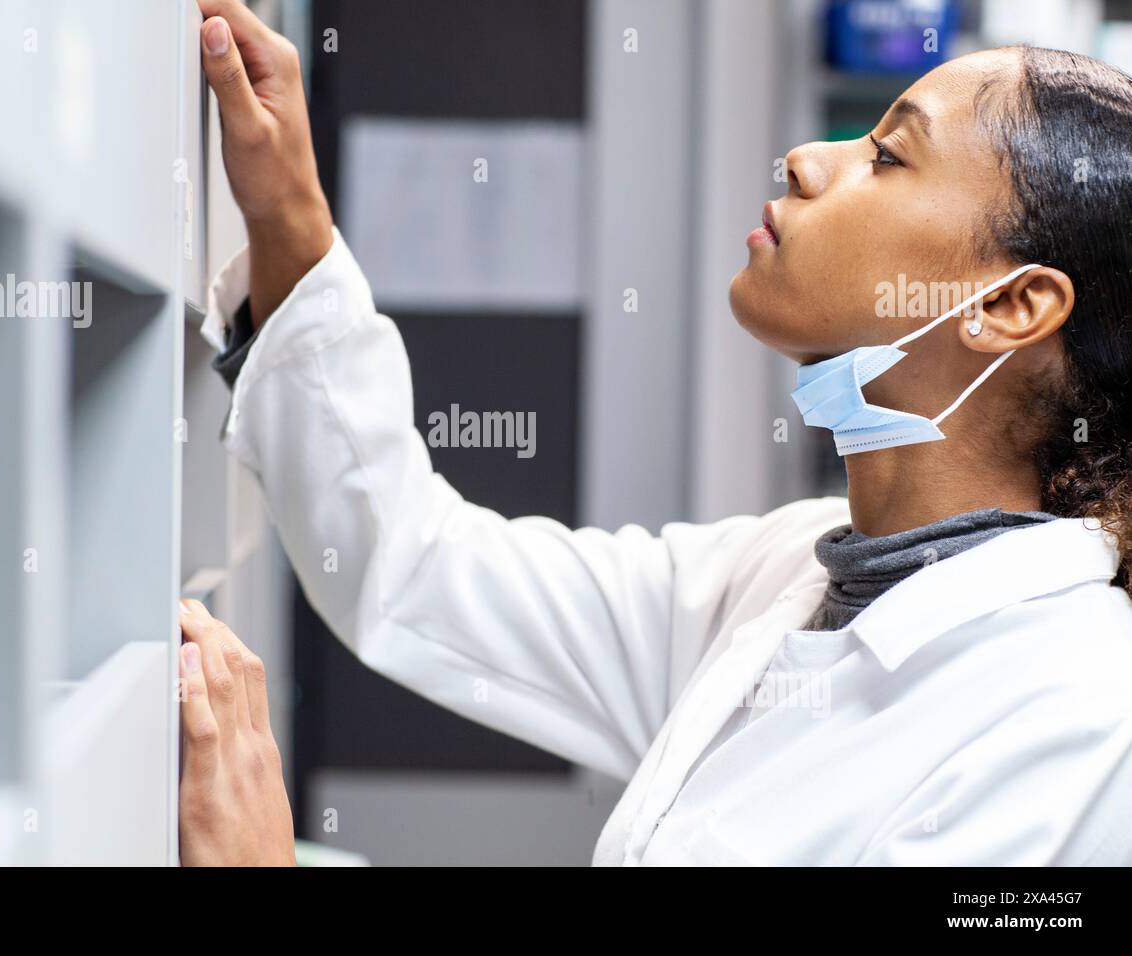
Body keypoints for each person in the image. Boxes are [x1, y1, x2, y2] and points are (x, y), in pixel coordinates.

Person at [177, 0, 1132, 866]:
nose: (806, 159)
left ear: (1011, 307)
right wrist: (287, 218)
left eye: (887, 156)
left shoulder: (1078, 719)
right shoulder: (783, 578)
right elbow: (421, 572)